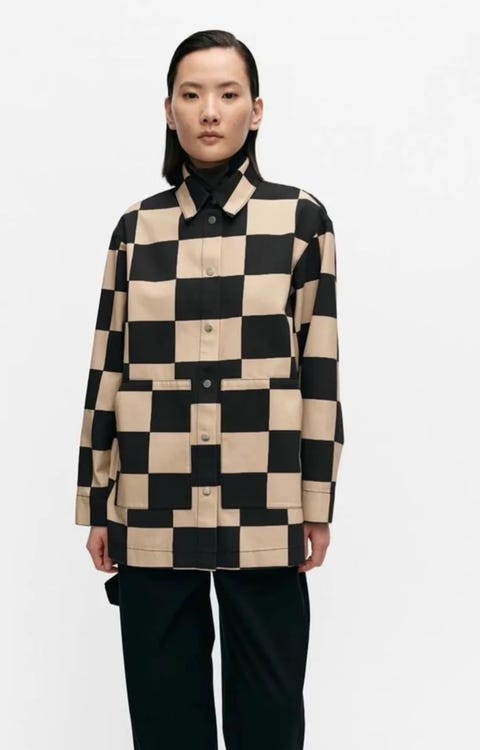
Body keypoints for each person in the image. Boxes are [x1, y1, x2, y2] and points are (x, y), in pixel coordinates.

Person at [74, 28, 344, 750]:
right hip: (151, 501)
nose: (210, 111)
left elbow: (320, 370)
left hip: (265, 501)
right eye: (192, 95)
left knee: (270, 715)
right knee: (165, 718)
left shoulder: (301, 221)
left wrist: (317, 502)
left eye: (228, 94)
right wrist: (97, 503)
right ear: (169, 111)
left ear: (257, 109)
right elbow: (108, 367)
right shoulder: (136, 230)